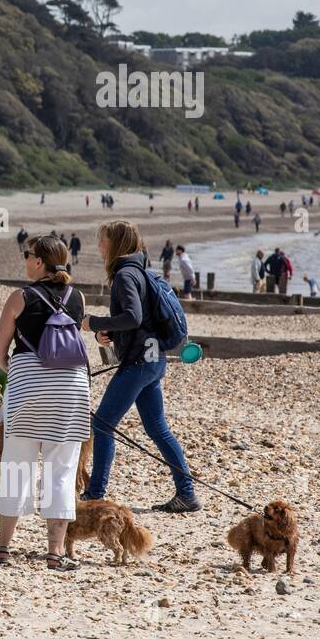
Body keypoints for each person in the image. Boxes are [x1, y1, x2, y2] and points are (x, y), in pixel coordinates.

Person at [81, 220, 200, 513]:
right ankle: (187, 494)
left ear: (115, 244)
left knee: (103, 424)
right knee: (157, 428)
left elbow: (132, 317)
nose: (99, 246)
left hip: (138, 363)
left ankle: (94, 494)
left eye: (102, 240)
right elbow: (138, 321)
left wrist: (93, 322)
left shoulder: (125, 274)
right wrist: (106, 333)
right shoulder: (142, 271)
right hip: (153, 360)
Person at [0, 235, 90, 569]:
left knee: (17, 465)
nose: (24, 259)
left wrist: (16, 370)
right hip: (71, 388)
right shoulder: (78, 297)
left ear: (40, 262)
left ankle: (3, 548)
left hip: (28, 385)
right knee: (61, 469)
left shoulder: (20, 297)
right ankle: (55, 553)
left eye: (27, 255)